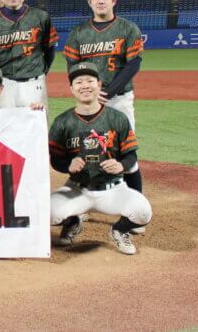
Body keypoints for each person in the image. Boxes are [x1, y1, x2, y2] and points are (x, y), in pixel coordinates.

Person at [49, 62, 152, 255]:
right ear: (72, 88)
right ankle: (72, 223)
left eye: (90, 81)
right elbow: (55, 159)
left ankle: (119, 230)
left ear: (99, 84)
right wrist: (67, 166)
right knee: (46, 212)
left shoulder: (117, 118)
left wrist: (121, 165)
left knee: (143, 211)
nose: (85, 86)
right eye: (79, 82)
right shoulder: (62, 122)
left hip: (113, 190)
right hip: (77, 190)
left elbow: (131, 155)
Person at [63, 0, 146, 199]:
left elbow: (133, 64)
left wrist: (107, 93)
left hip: (119, 99)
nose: (101, 1)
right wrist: (85, 93)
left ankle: (134, 206)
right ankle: (84, 203)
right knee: (89, 152)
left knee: (126, 152)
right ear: (89, 2)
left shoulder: (128, 28)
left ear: (114, 0)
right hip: (89, 103)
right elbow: (73, 67)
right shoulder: (79, 32)